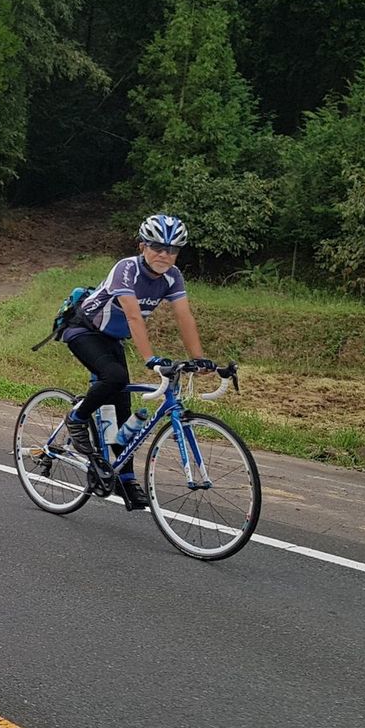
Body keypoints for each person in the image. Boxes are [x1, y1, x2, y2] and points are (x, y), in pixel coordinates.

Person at [62, 214, 206, 511]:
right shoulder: (126, 269)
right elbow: (133, 316)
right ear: (142, 246)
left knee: (124, 411)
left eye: (172, 249)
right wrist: (150, 360)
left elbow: (184, 316)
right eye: (157, 247)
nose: (165, 254)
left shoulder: (172, 276)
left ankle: (125, 479)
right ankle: (76, 419)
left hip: (112, 340)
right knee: (114, 378)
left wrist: (199, 359)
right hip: (84, 330)